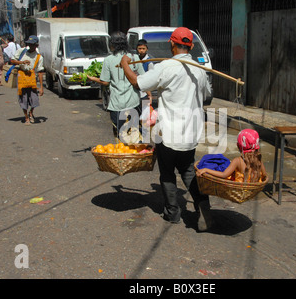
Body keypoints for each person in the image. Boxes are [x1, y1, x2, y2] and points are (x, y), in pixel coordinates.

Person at [120, 27, 213, 231]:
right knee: (188, 170)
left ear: (172, 44)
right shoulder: (199, 69)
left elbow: (138, 83)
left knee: (168, 172)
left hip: (168, 132)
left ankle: (172, 213)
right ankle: (203, 207)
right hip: (191, 131)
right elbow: (207, 94)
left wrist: (125, 65)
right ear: (189, 46)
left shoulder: (166, 67)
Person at [87, 31, 145, 142]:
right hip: (133, 103)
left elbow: (105, 82)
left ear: (112, 44)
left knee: (120, 136)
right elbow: (142, 79)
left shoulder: (108, 60)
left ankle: (123, 155)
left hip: (117, 104)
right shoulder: (134, 57)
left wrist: (93, 79)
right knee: (135, 134)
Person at [196, 129, 267, 184]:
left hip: (240, 189)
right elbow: (264, 175)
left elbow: (224, 175)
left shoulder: (237, 160)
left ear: (238, 145)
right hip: (253, 187)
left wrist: (205, 169)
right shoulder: (258, 159)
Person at [10, 35, 44, 126]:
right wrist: (22, 62)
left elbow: (40, 72)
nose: (31, 46)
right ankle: (26, 117)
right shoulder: (22, 52)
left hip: (32, 78)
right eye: (29, 44)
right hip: (21, 77)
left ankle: (31, 112)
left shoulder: (39, 57)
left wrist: (41, 87)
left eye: (33, 44)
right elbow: (12, 61)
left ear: (36, 45)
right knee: (23, 98)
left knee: (34, 99)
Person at [136, 39, 153, 127]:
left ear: (146, 49)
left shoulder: (149, 62)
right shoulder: (135, 60)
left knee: (145, 115)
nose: (141, 50)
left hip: (145, 91)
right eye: (139, 48)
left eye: (143, 48)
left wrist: (149, 94)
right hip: (136, 89)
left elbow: (150, 78)